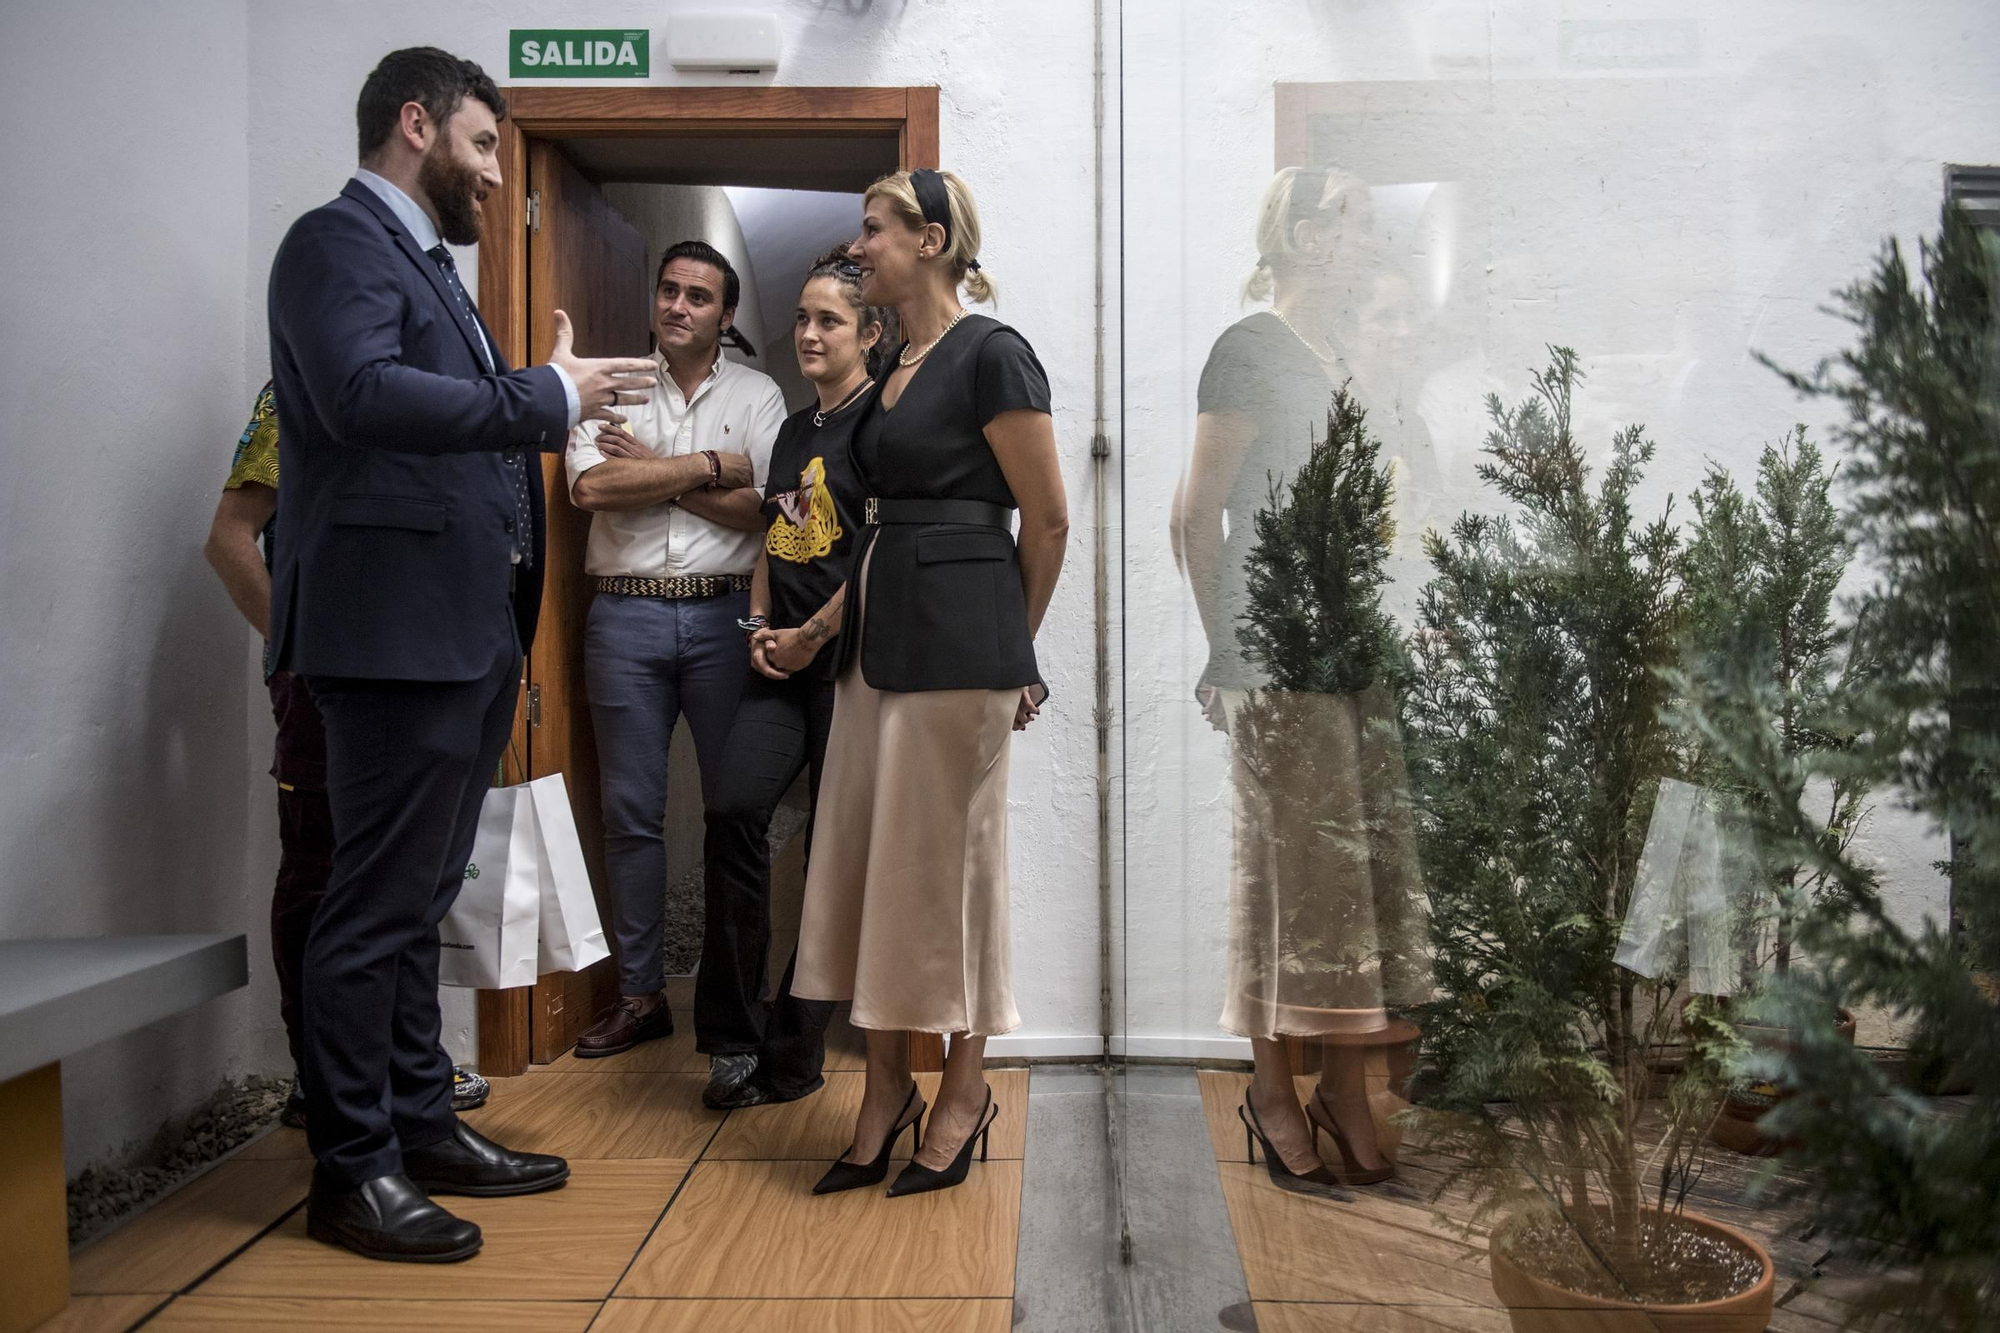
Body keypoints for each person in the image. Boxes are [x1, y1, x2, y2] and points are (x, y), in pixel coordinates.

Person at [266, 46, 655, 1263]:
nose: (493, 175)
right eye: (483, 147)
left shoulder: (427, 268)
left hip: (456, 639)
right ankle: (353, 1170)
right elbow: (358, 396)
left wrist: (542, 393)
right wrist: (543, 395)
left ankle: (422, 1125)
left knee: (420, 902)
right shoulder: (334, 243)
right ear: (416, 124)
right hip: (387, 642)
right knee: (369, 911)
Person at [792, 170, 1067, 1197]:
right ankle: (881, 1091)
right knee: (881, 878)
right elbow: (871, 531)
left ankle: (962, 1087)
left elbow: (1045, 522)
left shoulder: (992, 355)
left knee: (957, 880)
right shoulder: (894, 361)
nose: (856, 246)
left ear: (932, 239)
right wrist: (822, 628)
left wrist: (1013, 653)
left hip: (962, 657)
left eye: (872, 230)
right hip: (878, 656)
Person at [1171, 165, 1429, 1195]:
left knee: (1343, 888)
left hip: (1349, 656)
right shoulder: (1248, 348)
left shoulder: (1338, 355)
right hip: (1271, 659)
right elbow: (1195, 513)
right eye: (1351, 217)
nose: (1365, 236)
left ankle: (1338, 1091)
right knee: (1277, 884)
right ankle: (1271, 1090)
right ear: (1300, 234)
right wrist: (1223, 653)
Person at [203, 383, 492, 1134]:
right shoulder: (303, 389)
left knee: (403, 875)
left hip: (407, 667)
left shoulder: (429, 392)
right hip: (325, 673)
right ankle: (321, 1078)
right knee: (319, 864)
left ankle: (402, 1072)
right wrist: (298, 648)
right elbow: (229, 539)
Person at [564, 241, 787, 1105]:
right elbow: (589, 490)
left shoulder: (758, 394)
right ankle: (640, 995)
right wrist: (704, 466)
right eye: (669, 290)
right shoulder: (610, 385)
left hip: (728, 615)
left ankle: (737, 1006)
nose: (680, 306)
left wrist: (645, 469)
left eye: (699, 296)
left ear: (726, 316)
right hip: (622, 614)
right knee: (631, 815)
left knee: (735, 812)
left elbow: (768, 506)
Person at [697, 251, 895, 1110]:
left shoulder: (881, 428)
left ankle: (795, 1042)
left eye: (830, 321)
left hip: (853, 669)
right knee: (733, 807)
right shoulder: (792, 429)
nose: (808, 334)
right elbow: (776, 542)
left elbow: (885, 559)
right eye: (804, 319)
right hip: (781, 663)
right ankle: (733, 1035)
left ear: (871, 332)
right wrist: (759, 628)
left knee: (829, 855)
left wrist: (814, 637)